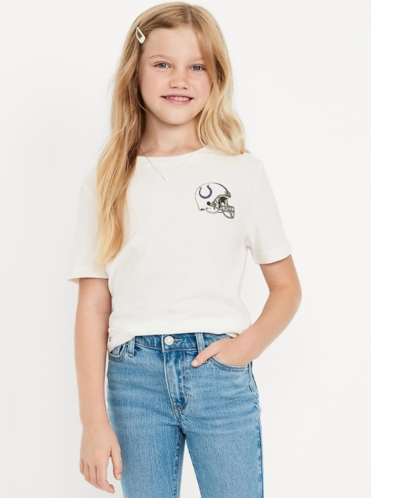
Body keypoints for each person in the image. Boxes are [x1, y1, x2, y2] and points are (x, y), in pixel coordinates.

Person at [68, 2, 302, 496]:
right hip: (134, 380)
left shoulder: (242, 172)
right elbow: (92, 306)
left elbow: (286, 287)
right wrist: (93, 421)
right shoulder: (106, 180)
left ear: (216, 78)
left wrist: (243, 349)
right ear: (135, 72)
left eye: (197, 66)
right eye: (162, 64)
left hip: (218, 374)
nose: (180, 79)